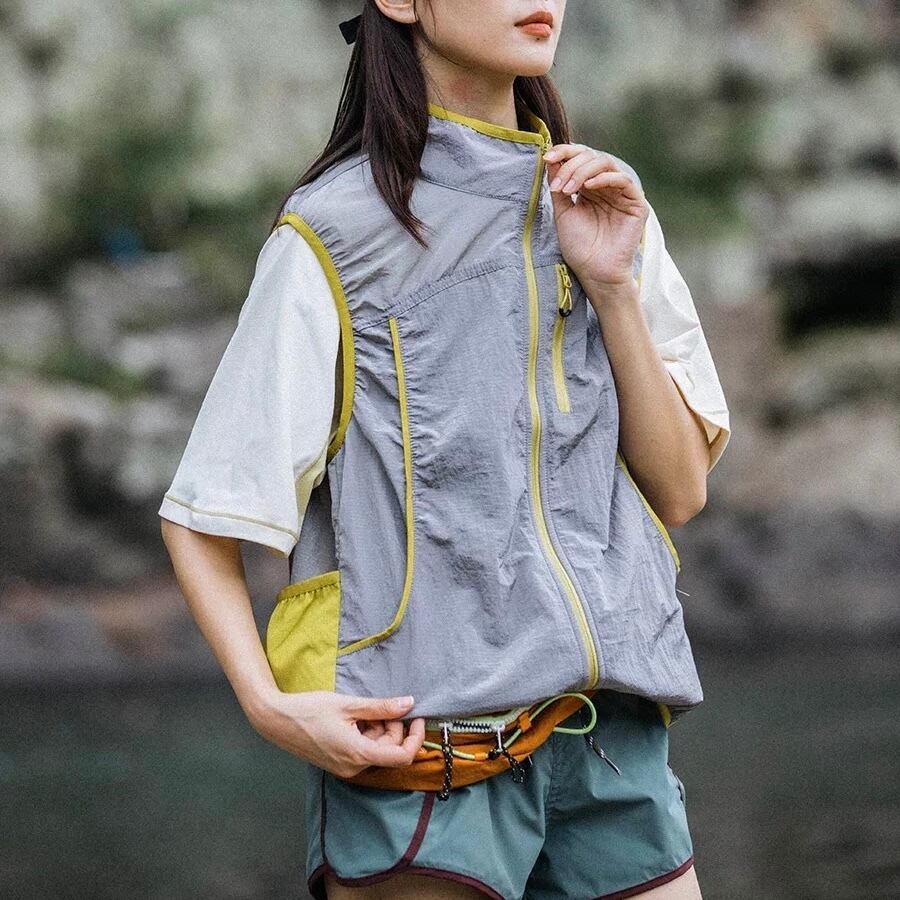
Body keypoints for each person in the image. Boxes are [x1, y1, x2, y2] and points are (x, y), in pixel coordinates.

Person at [159, 2, 731, 898]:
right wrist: (273, 709)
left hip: (613, 750)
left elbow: (681, 488)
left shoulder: (606, 207)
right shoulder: (334, 233)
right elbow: (204, 516)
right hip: (426, 765)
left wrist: (613, 286)